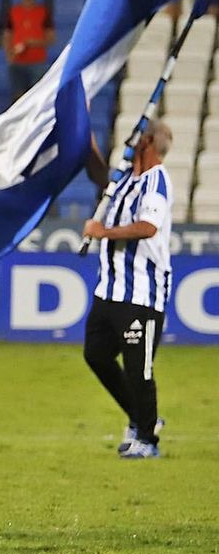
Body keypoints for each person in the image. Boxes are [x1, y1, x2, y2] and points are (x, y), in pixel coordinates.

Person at [83, 122, 174, 460]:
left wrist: (102, 232)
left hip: (142, 294)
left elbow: (148, 227)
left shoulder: (157, 182)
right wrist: (86, 139)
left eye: (138, 133)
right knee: (96, 354)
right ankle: (141, 419)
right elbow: (100, 175)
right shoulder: (127, 179)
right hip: (109, 290)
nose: (129, 137)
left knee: (140, 368)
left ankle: (147, 439)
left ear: (148, 141)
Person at [2, 0, 54, 100]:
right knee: (18, 97)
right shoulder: (14, 12)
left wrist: (33, 42)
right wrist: (9, 54)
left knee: (37, 96)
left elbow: (51, 38)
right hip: (17, 61)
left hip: (37, 61)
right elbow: (7, 34)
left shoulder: (42, 12)